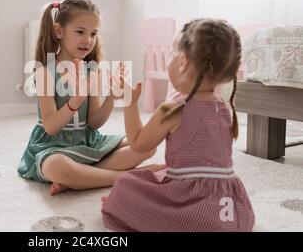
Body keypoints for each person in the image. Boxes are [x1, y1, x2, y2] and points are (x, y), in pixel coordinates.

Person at [101, 18, 255, 231]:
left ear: (182, 61)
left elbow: (138, 143)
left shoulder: (173, 108)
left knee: (127, 183)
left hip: (192, 207)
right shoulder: (225, 108)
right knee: (157, 173)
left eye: (172, 54)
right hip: (229, 207)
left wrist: (130, 102)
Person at [17, 0, 161, 196]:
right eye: (80, 32)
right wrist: (75, 101)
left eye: (93, 33)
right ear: (59, 31)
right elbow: (50, 127)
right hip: (53, 147)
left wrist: (111, 97)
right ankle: (128, 177)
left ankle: (81, 178)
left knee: (146, 146)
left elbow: (94, 123)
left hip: (87, 142)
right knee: (58, 167)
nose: (88, 40)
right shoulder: (45, 73)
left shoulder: (91, 71)